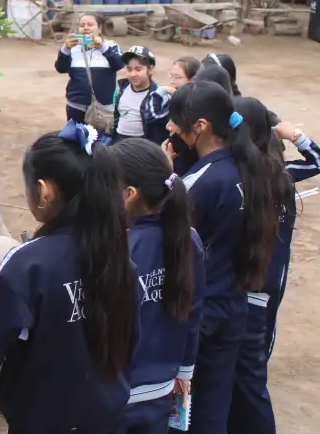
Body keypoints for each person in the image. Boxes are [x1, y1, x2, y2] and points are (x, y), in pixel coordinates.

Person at [0, 120, 139, 434]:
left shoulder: (26, 266)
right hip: (108, 417)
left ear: (44, 191)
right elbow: (131, 341)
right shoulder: (120, 259)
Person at [163, 81, 279, 434]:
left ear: (199, 127)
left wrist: (164, 173)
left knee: (183, 408)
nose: (169, 127)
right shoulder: (251, 170)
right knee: (213, 407)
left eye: (175, 120)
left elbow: (169, 243)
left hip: (199, 314)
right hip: (234, 303)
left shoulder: (198, 182)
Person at [227, 98, 320, 434]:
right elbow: (319, 160)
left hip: (263, 282)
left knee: (253, 363)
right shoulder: (266, 174)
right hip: (258, 280)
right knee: (246, 361)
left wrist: (292, 134)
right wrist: (294, 135)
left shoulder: (269, 176)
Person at [110, 138, 205, 434]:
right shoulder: (188, 239)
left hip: (119, 392)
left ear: (128, 194)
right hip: (163, 387)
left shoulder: (119, 249)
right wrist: (185, 370)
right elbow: (194, 310)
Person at [55, 14, 125, 124]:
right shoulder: (72, 48)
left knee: (103, 138)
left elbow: (119, 64)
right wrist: (65, 49)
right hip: (76, 104)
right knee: (75, 137)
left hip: (103, 105)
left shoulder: (111, 45)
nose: (85, 27)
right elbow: (61, 68)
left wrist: (103, 48)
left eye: (90, 24)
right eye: (82, 25)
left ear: (100, 28)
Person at [111, 46, 170, 144]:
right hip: (119, 140)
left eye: (138, 69)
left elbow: (161, 126)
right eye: (129, 69)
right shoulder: (122, 88)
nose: (133, 74)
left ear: (150, 69)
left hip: (143, 145)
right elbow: (117, 115)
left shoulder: (158, 95)